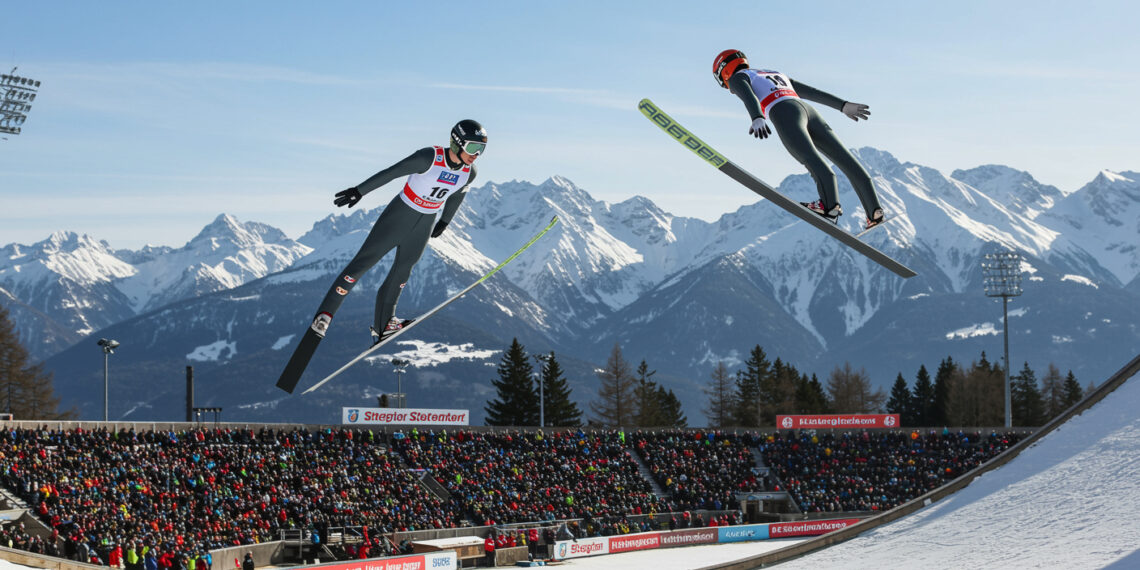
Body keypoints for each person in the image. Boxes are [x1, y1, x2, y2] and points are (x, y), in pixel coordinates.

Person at [309, 120, 487, 344]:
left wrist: (445, 221)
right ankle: (325, 315)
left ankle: (385, 324)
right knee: (363, 263)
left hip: (425, 222)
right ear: (457, 142)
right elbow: (392, 172)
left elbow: (457, 195)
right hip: (400, 215)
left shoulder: (469, 172)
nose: (476, 154)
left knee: (403, 270)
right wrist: (359, 191)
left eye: (481, 149)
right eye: (472, 148)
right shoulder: (428, 157)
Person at [713, 49, 885, 231]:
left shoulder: (737, 78)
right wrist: (842, 105)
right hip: (809, 111)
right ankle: (874, 211)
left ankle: (829, 206)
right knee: (845, 159)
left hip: (784, 113)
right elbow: (811, 92)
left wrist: (757, 116)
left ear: (723, 70)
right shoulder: (772, 73)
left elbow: (748, 95)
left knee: (811, 159)